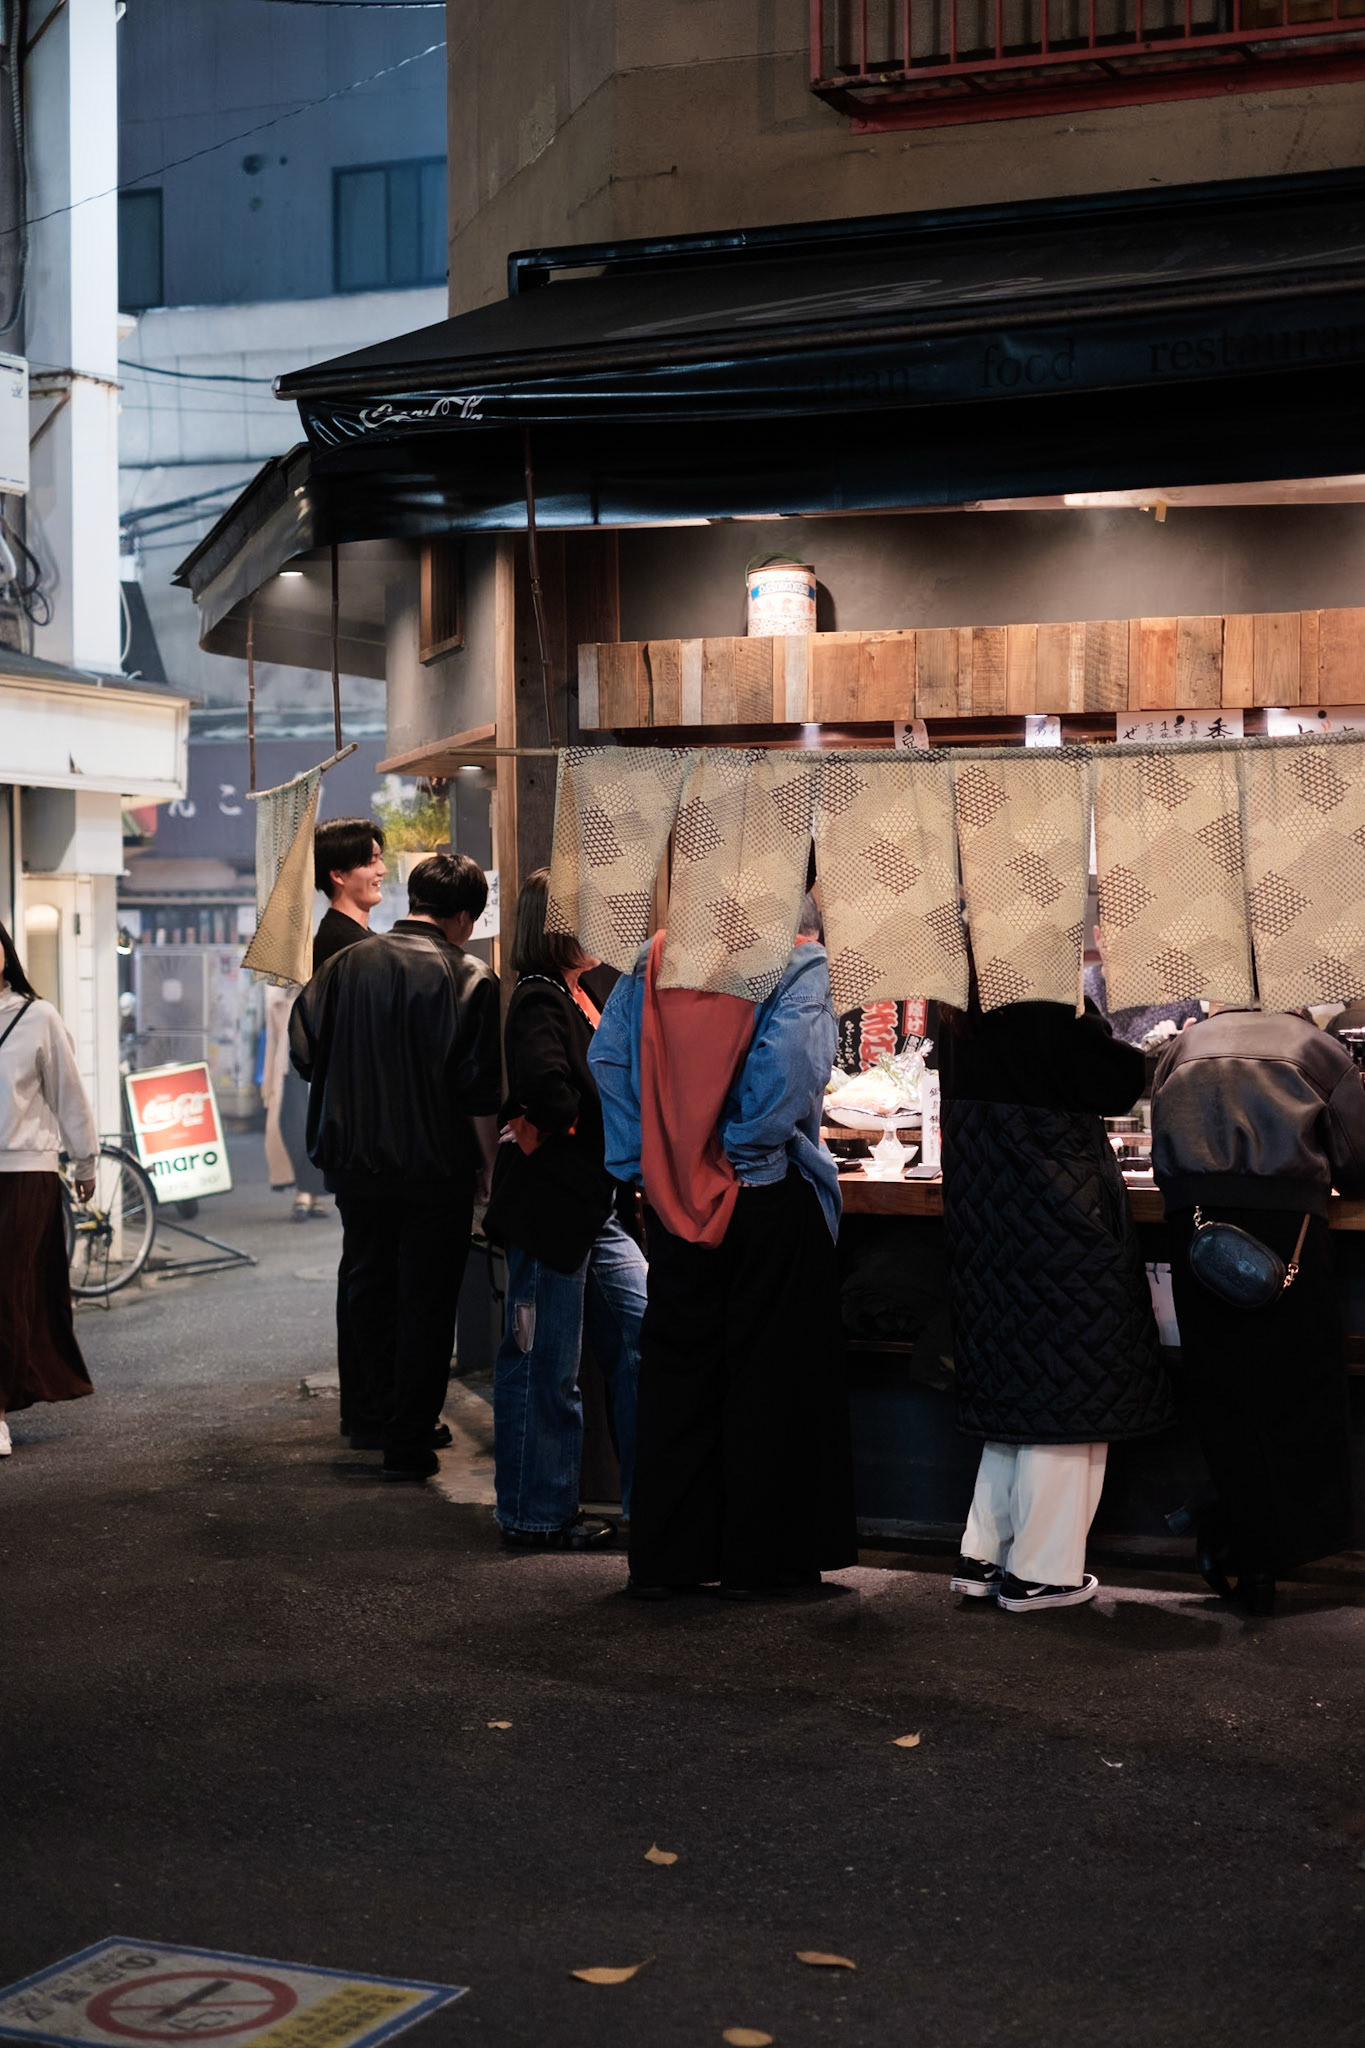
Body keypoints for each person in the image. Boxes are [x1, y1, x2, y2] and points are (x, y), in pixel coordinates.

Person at [589, 894, 857, 1598]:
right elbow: (789, 1069)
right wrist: (747, 1159)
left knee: (678, 1379)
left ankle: (671, 1558)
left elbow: (609, 1062)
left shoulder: (653, 959)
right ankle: (763, 1561)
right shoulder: (796, 963)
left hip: (674, 1200)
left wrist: (642, 1165)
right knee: (772, 1379)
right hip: (761, 1196)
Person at [939, 991, 1172, 1613]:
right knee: (1073, 1389)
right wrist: (1104, 1027)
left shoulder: (959, 1006)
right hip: (1060, 1219)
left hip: (987, 1220)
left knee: (1015, 1387)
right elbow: (1116, 1082)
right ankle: (1041, 1571)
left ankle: (984, 1554)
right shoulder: (1048, 1005)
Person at [290, 853, 500, 1481]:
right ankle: (407, 1440)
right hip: (435, 1169)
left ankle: (374, 1417)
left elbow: (305, 1053)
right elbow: (478, 1091)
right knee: (427, 1302)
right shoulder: (469, 975)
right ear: (462, 917)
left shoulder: (341, 967)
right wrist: (490, 1169)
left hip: (355, 1165)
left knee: (369, 1286)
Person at [1150, 1007, 1365, 1615]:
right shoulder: (1317, 1049)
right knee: (1299, 1390)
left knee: (1222, 1393)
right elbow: (1355, 1164)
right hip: (1288, 1227)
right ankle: (1288, 1548)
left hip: (1195, 1228)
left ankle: (1240, 1548)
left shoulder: (1181, 1047)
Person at [483, 870, 645, 1551]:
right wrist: (555, 1122)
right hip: (554, 1211)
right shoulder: (537, 998)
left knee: (643, 1335)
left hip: (595, 1205)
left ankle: (653, 1501)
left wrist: (559, 1122)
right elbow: (546, 1095)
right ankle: (533, 1514)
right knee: (543, 1366)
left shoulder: (586, 991)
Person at [0, 919, 98, 1457]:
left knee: (8, 1290)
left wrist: (85, 1161)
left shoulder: (37, 1017)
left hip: (23, 1172)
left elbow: (68, 1092)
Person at [277, 816, 386, 1221]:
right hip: (365, 1134)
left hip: (357, 1131)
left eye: (379, 858)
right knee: (370, 1263)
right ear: (338, 874)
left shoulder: (351, 942)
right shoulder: (343, 948)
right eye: (370, 861)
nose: (381, 870)